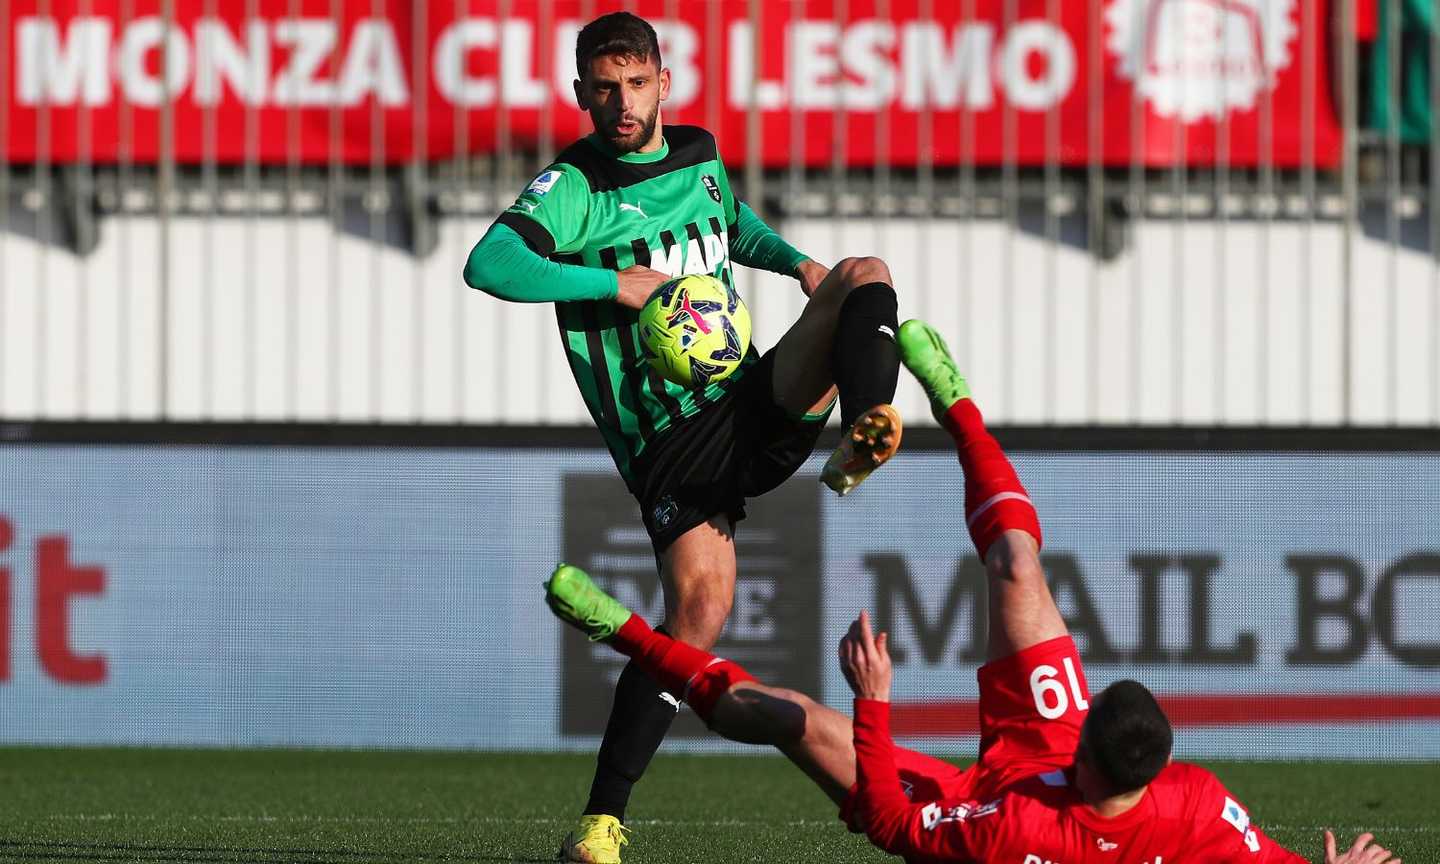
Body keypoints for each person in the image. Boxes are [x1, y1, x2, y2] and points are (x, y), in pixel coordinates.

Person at [543, 319, 1402, 864]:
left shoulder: (1019, 834)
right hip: (1041, 746)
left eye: (1088, 726)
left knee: (790, 718)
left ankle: (622, 631)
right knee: (1020, 567)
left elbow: (887, 823)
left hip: (973, 798)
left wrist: (874, 703)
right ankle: (959, 410)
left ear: (1089, 756)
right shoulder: (1192, 803)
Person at [464, 11, 905, 862]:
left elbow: (729, 222)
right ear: (580, 93)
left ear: (664, 83)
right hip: (670, 446)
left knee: (861, 277)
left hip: (746, 403)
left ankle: (863, 431)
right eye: (602, 88)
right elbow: (491, 263)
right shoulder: (576, 186)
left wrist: (792, 262)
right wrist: (613, 285)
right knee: (699, 615)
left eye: (634, 84)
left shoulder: (698, 152)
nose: (620, 102)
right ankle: (601, 821)